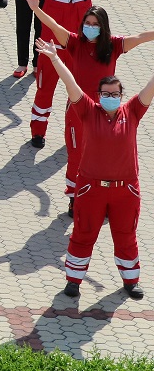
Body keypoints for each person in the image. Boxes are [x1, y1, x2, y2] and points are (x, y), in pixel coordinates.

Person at [35, 39, 151, 301]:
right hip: (90, 188)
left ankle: (131, 281)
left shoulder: (132, 111)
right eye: (106, 94)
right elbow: (71, 85)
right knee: (83, 234)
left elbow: (149, 89)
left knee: (126, 236)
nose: (110, 98)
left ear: (122, 96)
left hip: (126, 191)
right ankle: (73, 281)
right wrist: (55, 58)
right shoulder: (88, 110)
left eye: (115, 94)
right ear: (98, 96)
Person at [24, 0, 154, 213]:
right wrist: (36, 9)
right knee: (76, 155)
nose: (90, 27)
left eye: (95, 23)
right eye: (87, 22)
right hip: (79, 109)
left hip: (107, 111)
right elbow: (55, 26)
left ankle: (103, 200)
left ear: (103, 27)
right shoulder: (74, 43)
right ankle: (75, 198)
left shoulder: (113, 45)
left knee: (104, 155)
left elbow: (141, 37)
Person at [20, 0, 131, 149]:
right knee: (44, 93)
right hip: (50, 52)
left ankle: (80, 131)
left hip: (78, 52)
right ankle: (38, 132)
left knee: (79, 96)